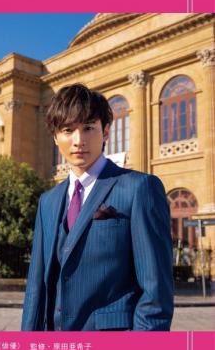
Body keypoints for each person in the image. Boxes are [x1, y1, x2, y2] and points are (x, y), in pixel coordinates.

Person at [21, 84, 174, 331]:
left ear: (106, 132)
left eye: (89, 128)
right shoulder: (48, 201)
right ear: (55, 137)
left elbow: (156, 292)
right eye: (68, 130)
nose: (79, 141)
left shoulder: (139, 188)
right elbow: (36, 287)